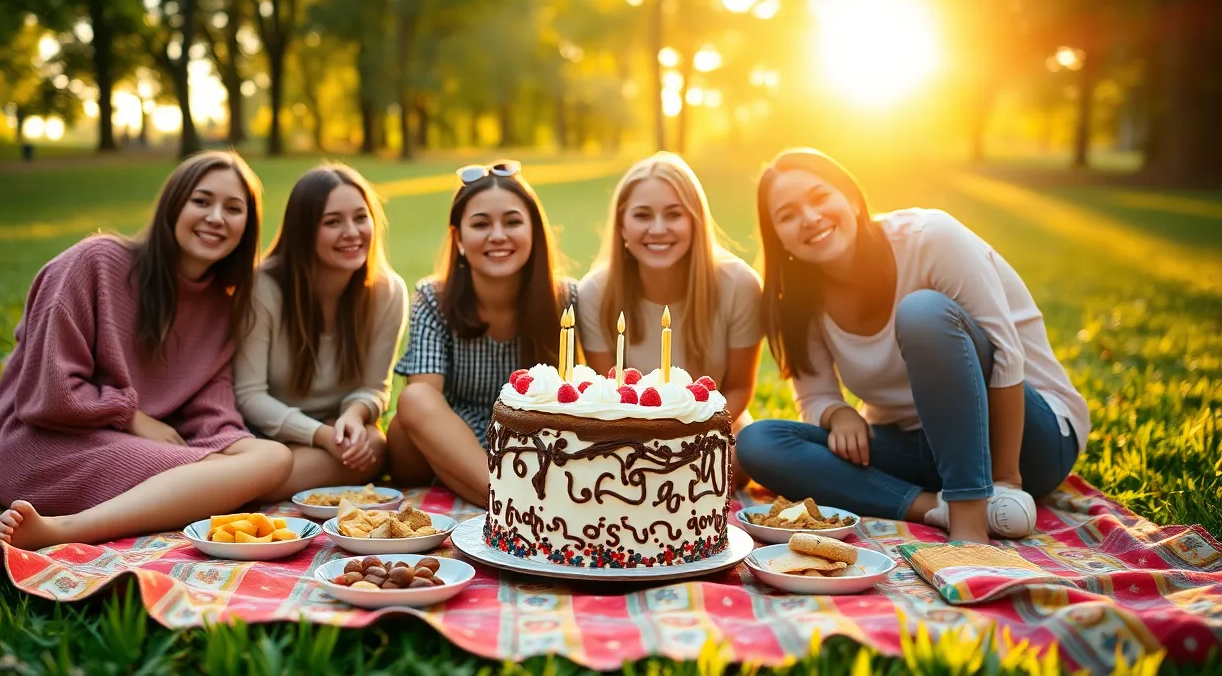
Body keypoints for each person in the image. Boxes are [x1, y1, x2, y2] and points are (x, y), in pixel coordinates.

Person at [735, 148, 1088, 543]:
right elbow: (814, 394)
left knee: (922, 312)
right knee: (758, 441)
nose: (810, 218)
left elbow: (1007, 354)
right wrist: (838, 414)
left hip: (1025, 438)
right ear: (777, 236)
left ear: (851, 198)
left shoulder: (931, 239)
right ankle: (934, 508)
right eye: (787, 215)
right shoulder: (797, 302)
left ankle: (970, 522)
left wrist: (1006, 483)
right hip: (918, 451)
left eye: (820, 198)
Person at [0, 151, 293, 551]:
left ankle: (91, 519)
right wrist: (132, 417)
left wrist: (239, 445)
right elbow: (50, 393)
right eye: (201, 201)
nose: (217, 217)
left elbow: (210, 406)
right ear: (172, 205)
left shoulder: (223, 305)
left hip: (119, 444)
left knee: (273, 459)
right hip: (42, 444)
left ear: (247, 227)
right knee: (225, 477)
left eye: (233, 209)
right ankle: (67, 530)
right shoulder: (93, 262)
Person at [387, 160, 576, 505]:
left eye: (513, 221)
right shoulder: (433, 298)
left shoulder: (567, 300)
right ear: (459, 239)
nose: (498, 235)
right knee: (413, 398)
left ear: (534, 230)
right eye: (481, 224)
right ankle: (510, 505)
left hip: (537, 447)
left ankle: (511, 496)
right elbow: (426, 405)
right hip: (445, 448)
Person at [576, 152, 762, 482]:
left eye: (674, 214)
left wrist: (688, 445)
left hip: (714, 429)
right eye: (643, 215)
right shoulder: (594, 292)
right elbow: (606, 395)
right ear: (622, 225)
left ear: (695, 221)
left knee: (739, 462)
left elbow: (739, 387)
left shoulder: (740, 285)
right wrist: (647, 451)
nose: (658, 229)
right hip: (624, 436)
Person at [234, 164, 407, 492]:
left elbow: (376, 387)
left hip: (340, 435)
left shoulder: (388, 292)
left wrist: (353, 417)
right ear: (303, 230)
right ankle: (239, 486)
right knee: (273, 464)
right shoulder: (261, 287)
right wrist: (320, 436)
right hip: (264, 439)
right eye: (332, 222)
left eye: (360, 217)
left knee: (374, 446)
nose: (352, 232)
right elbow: (249, 396)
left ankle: (250, 489)